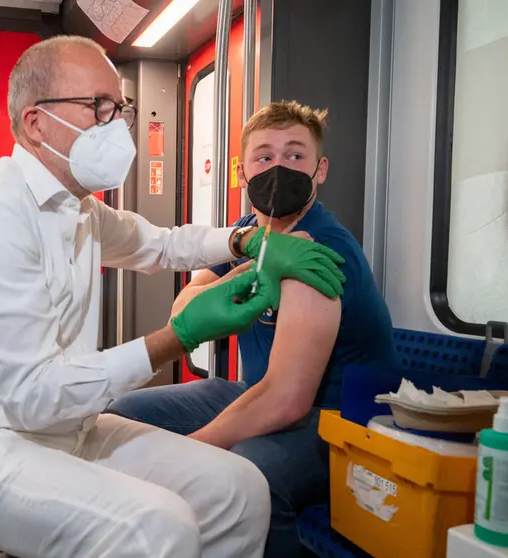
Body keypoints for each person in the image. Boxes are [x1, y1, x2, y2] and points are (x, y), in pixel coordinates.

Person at [0, 37, 346, 558]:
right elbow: (33, 396)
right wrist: (177, 338)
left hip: (68, 430)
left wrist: (242, 239)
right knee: (157, 528)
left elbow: (161, 245)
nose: (117, 125)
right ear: (36, 123)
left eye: (120, 109)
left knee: (240, 490)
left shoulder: (81, 212)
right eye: (99, 107)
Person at [107, 101, 400, 558]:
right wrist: (246, 272)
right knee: (124, 415)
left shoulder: (318, 251)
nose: (279, 168)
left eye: (295, 156)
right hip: (256, 390)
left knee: (251, 470)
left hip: (338, 421)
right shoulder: (248, 232)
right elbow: (183, 307)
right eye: (264, 158)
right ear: (243, 175)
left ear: (320, 170)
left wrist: (184, 454)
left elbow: (287, 400)